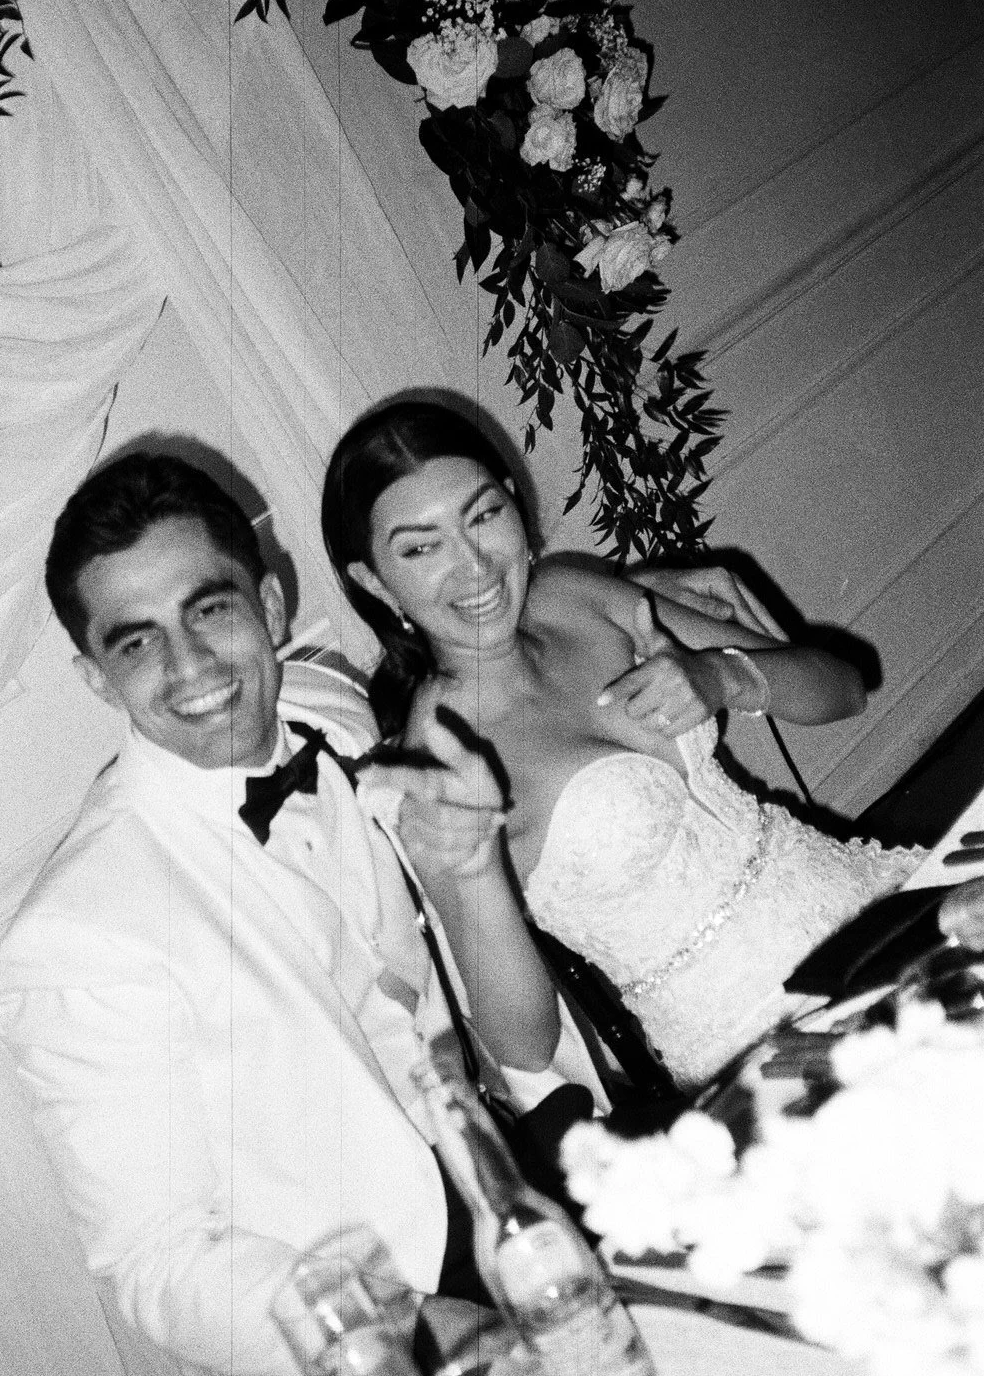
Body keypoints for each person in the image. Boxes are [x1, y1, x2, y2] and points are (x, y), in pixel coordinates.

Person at [0, 448, 569, 1376]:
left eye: (208, 610)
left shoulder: (329, 708)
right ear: (94, 678)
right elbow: (158, 1265)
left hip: (500, 1191)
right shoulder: (80, 937)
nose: (189, 667)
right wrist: (411, 1331)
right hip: (377, 1341)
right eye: (135, 642)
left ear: (268, 602)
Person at [321, 397, 924, 1092]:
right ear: (373, 580)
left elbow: (843, 689)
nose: (475, 566)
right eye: (421, 548)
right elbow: (522, 1045)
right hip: (768, 1050)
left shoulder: (572, 596)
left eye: (483, 515)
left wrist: (723, 675)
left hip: (881, 913)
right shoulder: (436, 762)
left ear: (515, 506)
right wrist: (477, 870)